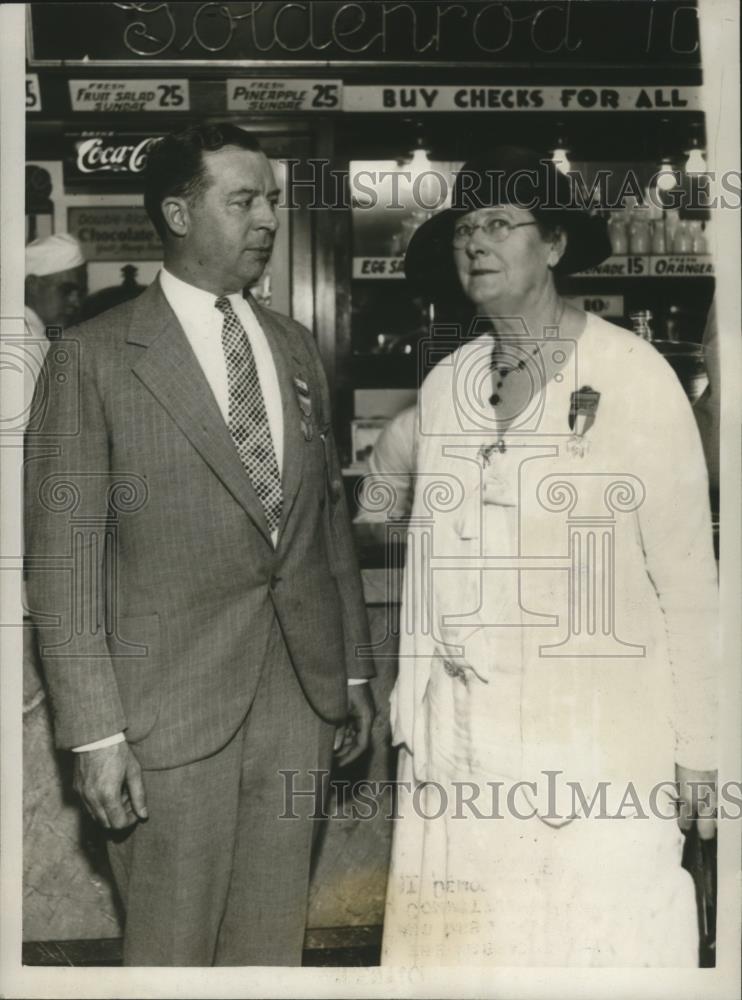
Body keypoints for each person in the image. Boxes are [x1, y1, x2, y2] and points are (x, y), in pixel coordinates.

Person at [24, 122, 375, 967]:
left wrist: (356, 671)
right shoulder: (92, 358)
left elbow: (324, 522)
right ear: (179, 212)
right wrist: (96, 734)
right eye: (243, 200)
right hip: (164, 717)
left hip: (298, 700)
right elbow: (64, 561)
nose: (267, 220)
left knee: (270, 947)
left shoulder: (292, 346)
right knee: (172, 953)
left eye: (273, 202)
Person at [381, 148, 718, 967]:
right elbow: (426, 569)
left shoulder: (634, 377)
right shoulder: (446, 388)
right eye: (465, 229)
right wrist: (408, 721)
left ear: (556, 245)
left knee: (590, 954)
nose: (476, 244)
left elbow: (688, 582)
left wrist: (703, 748)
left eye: (500, 224)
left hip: (597, 744)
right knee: (469, 961)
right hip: (458, 748)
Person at [24, 232, 87, 344]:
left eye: (81, 292)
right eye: (66, 290)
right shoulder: (26, 341)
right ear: (32, 286)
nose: (76, 302)